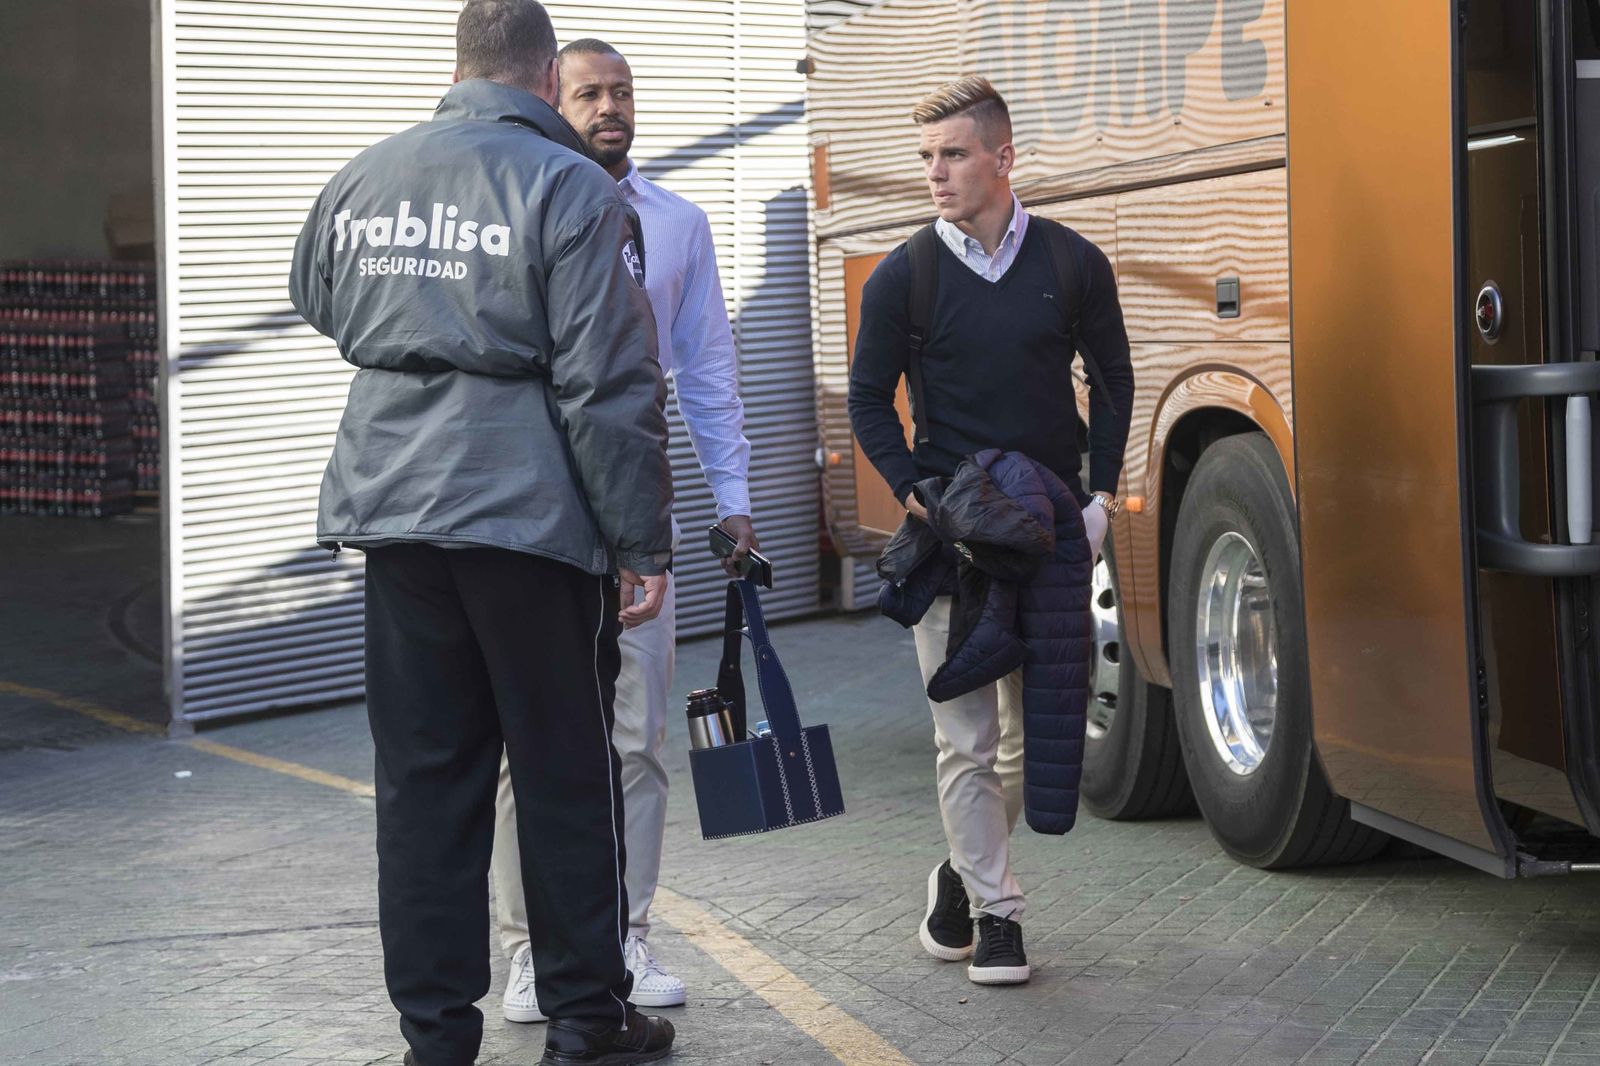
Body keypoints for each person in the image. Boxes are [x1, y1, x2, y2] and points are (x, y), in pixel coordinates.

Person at [287, 2, 678, 1063]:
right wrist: (640, 538)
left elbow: (316, 296)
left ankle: (434, 1037)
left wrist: (426, 329)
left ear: (459, 67)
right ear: (548, 77)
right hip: (529, 521)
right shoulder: (568, 189)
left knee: (425, 780)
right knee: (562, 772)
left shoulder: (366, 174)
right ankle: (588, 1020)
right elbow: (607, 381)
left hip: (396, 514)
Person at [492, 36, 758, 1025]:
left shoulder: (678, 226)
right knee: (530, 742)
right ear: (553, 101)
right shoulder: (520, 209)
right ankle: (526, 952)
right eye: (590, 92)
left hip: (637, 527)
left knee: (641, 743)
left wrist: (732, 501)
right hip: (530, 525)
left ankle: (625, 937)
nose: (611, 107)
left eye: (622, 92)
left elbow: (709, 377)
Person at [846, 75, 1134, 986]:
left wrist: (1098, 502)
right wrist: (911, 493)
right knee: (963, 739)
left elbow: (1116, 382)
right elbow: (866, 400)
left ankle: (961, 875)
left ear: (1003, 158)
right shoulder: (906, 276)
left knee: (1026, 739)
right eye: (926, 157)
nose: (935, 173)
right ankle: (999, 917)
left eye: (954, 154)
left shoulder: (1071, 262)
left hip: (1050, 535)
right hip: (951, 541)